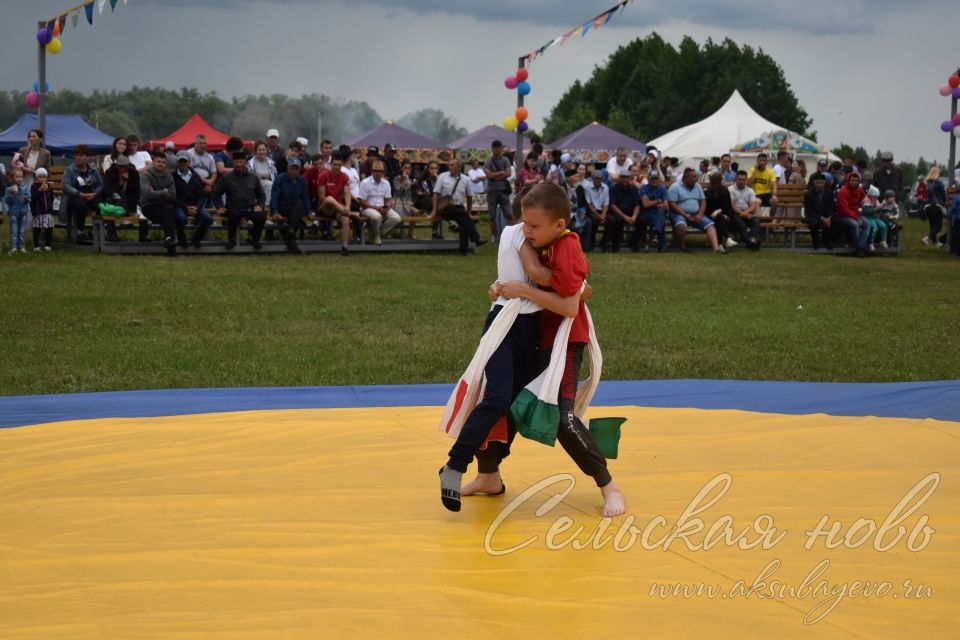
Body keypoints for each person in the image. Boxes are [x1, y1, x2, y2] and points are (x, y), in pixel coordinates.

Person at [455, 182, 625, 518]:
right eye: (525, 225)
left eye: (533, 226)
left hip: (564, 342)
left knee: (561, 418)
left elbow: (572, 302)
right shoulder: (538, 241)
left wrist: (521, 289)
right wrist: (503, 287)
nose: (527, 231)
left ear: (558, 224)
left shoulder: (566, 244)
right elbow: (534, 278)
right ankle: (488, 475)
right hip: (532, 338)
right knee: (496, 403)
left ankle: (609, 485)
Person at [213, 151, 267, 250]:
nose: (239, 165)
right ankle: (231, 240)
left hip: (250, 207)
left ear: (245, 163)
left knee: (261, 216)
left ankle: (254, 239)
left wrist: (260, 205)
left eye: (241, 162)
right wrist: (219, 206)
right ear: (234, 162)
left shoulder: (253, 177)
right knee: (234, 214)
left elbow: (261, 195)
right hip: (233, 207)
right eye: (237, 162)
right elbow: (216, 193)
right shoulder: (227, 177)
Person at [432, 158, 484, 255]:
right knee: (463, 216)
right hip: (445, 208)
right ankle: (476, 238)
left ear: (459, 167)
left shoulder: (466, 179)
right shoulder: (443, 177)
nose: (449, 166)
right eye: (449, 164)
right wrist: (434, 211)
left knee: (463, 219)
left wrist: (469, 211)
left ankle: (463, 250)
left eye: (452, 165)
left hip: (459, 208)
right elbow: (435, 193)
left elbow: (469, 197)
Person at [668, 167, 723, 253]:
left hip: (696, 214)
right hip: (680, 214)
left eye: (696, 176)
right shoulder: (675, 187)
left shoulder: (697, 186)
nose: (696, 179)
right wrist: (685, 215)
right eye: (693, 177)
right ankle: (683, 248)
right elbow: (672, 204)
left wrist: (700, 214)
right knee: (681, 227)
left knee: (711, 226)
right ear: (686, 178)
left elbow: (703, 201)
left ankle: (716, 249)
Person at [316, 151, 356, 257]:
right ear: (331, 164)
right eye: (335, 164)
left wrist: (347, 206)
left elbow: (347, 193)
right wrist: (343, 208)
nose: (337, 167)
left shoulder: (344, 177)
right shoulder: (323, 176)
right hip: (324, 208)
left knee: (345, 218)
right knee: (329, 199)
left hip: (337, 208)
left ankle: (344, 248)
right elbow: (321, 198)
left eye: (339, 165)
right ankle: (353, 217)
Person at [61, 144, 103, 245]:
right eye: (77, 155)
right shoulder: (70, 170)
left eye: (81, 155)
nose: (78, 158)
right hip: (75, 196)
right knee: (81, 206)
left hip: (91, 195)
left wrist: (95, 193)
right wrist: (80, 194)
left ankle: (95, 232)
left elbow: (100, 184)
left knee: (101, 205)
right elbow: (66, 186)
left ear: (87, 157)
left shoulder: (93, 169)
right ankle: (80, 233)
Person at [139, 150, 179, 255]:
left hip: (164, 205)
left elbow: (173, 195)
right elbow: (147, 194)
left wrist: (155, 192)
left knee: (169, 210)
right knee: (169, 218)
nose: (161, 164)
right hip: (148, 206)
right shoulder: (145, 176)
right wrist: (164, 192)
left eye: (163, 162)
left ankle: (169, 240)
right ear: (153, 162)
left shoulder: (169, 176)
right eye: (158, 161)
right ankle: (171, 246)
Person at [269, 157, 311, 253]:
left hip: (295, 208)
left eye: (296, 169)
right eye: (292, 168)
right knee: (298, 208)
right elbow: (274, 197)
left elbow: (305, 197)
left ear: (299, 170)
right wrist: (275, 211)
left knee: (300, 203)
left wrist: (309, 211)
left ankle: (291, 233)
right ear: (287, 168)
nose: (294, 171)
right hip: (281, 206)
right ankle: (291, 234)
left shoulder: (302, 180)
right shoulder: (280, 179)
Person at [172, 151, 212, 249]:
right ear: (177, 163)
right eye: (180, 161)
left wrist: (196, 207)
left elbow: (201, 195)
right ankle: (182, 239)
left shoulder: (196, 177)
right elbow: (172, 197)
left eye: (185, 161)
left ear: (189, 162)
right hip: (180, 206)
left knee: (208, 218)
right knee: (180, 218)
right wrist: (186, 207)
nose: (183, 163)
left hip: (195, 206)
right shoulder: (172, 177)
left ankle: (196, 239)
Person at [358, 160, 402, 246]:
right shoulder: (365, 182)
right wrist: (377, 208)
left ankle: (376, 233)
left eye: (380, 171)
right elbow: (362, 201)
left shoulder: (386, 183)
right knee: (376, 216)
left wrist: (387, 207)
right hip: (368, 208)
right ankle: (377, 236)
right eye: (376, 170)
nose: (378, 173)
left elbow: (388, 199)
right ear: (372, 171)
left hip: (382, 207)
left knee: (397, 218)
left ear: (384, 172)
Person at [101, 155, 141, 242]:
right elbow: (108, 191)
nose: (122, 168)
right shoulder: (110, 172)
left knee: (132, 201)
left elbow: (136, 192)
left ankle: (144, 236)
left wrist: (128, 181)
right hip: (113, 199)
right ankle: (112, 235)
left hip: (130, 201)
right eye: (120, 166)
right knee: (110, 208)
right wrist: (121, 183)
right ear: (116, 165)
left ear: (129, 165)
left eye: (125, 166)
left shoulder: (134, 173)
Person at [833, 171, 871, 256]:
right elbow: (844, 209)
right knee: (855, 224)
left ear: (858, 182)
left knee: (868, 224)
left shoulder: (859, 190)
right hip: (842, 216)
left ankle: (860, 247)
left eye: (856, 180)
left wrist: (866, 201)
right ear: (848, 181)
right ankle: (860, 249)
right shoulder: (843, 191)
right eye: (852, 180)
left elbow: (865, 198)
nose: (854, 182)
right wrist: (856, 218)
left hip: (855, 214)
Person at [484, 140, 513, 242]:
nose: (497, 149)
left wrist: (494, 175)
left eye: (498, 147)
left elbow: (508, 173)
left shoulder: (505, 160)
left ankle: (510, 236)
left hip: (503, 190)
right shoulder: (488, 161)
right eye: (495, 147)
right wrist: (501, 173)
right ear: (492, 149)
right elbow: (488, 175)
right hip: (492, 190)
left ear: (501, 148)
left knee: (509, 213)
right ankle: (494, 236)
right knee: (492, 215)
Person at [607, 168, 640, 253]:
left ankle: (634, 242)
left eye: (626, 177)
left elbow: (637, 205)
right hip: (618, 213)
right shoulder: (613, 189)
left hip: (631, 213)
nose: (625, 179)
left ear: (629, 178)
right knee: (617, 220)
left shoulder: (633, 189)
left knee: (643, 220)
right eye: (623, 177)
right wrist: (624, 216)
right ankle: (616, 244)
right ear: (619, 178)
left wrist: (634, 216)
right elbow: (612, 205)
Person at [727, 170, 761, 249]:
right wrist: (743, 214)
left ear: (746, 180)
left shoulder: (750, 190)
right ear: (736, 179)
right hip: (734, 213)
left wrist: (745, 213)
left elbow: (753, 206)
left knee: (755, 222)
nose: (741, 181)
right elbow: (732, 205)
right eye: (739, 179)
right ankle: (750, 242)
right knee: (741, 224)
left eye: (743, 180)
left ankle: (753, 240)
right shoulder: (730, 189)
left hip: (747, 212)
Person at [639, 170, 669, 253]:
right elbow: (645, 204)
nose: (654, 180)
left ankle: (656, 234)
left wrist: (652, 203)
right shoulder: (643, 188)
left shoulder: (663, 188)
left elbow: (666, 205)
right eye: (652, 178)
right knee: (660, 219)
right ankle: (661, 243)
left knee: (660, 212)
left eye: (656, 178)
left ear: (659, 179)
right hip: (647, 213)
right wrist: (658, 201)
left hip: (658, 213)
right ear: (648, 179)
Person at [804, 172, 835, 250]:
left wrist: (828, 218)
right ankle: (816, 242)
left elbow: (831, 208)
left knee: (835, 221)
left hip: (826, 215)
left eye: (821, 183)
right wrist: (822, 218)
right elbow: (809, 210)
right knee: (813, 223)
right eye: (817, 183)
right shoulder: (809, 194)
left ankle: (826, 240)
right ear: (814, 183)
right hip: (813, 215)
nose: (819, 185)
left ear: (825, 183)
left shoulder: (830, 193)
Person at [186, 134, 217, 209]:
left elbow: (214, 173)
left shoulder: (210, 157)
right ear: (195, 144)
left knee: (214, 191)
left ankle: (212, 213)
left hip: (207, 182)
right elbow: (190, 169)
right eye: (200, 143)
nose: (203, 145)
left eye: (204, 143)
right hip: (192, 181)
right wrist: (206, 181)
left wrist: (210, 184)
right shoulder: (189, 153)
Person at [703, 172, 733, 249]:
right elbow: (708, 208)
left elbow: (727, 205)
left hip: (724, 214)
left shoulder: (725, 191)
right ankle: (726, 238)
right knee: (719, 218)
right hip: (710, 215)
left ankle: (720, 243)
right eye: (722, 179)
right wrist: (719, 213)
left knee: (719, 218)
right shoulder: (707, 193)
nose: (723, 181)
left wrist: (720, 212)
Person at [3, 168, 30, 254]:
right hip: (13, 213)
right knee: (14, 231)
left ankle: (21, 247)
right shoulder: (9, 189)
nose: (19, 178)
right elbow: (7, 201)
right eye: (17, 177)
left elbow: (29, 199)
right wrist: (12, 194)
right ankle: (13, 247)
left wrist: (25, 198)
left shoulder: (25, 188)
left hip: (23, 212)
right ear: (12, 178)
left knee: (22, 231)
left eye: (21, 176)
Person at [582, 170, 608, 252]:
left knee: (611, 221)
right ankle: (591, 243)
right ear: (592, 179)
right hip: (591, 211)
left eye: (599, 179)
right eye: (596, 179)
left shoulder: (606, 187)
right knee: (594, 220)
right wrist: (598, 215)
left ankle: (605, 244)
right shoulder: (587, 188)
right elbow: (588, 204)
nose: (597, 180)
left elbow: (606, 203)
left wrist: (603, 214)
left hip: (602, 211)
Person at [30, 167, 55, 252]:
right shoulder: (34, 187)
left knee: (49, 229)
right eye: (40, 177)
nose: (42, 179)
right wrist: (40, 190)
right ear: (37, 177)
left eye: (44, 177)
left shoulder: (49, 187)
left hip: (47, 211)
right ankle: (36, 245)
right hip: (38, 212)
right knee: (37, 229)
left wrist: (47, 191)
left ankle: (48, 245)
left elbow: (52, 198)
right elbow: (32, 197)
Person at [922, 166, 947, 248]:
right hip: (936, 206)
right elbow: (943, 195)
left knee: (932, 226)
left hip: (928, 207)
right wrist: (945, 202)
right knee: (938, 227)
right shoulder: (938, 183)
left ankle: (936, 243)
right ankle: (927, 238)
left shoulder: (928, 183)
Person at [393, 160, 417, 240]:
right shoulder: (397, 178)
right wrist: (403, 180)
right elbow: (398, 191)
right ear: (401, 169)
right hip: (398, 202)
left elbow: (412, 193)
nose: (407, 170)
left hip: (408, 202)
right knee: (398, 212)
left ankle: (410, 232)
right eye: (405, 168)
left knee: (416, 212)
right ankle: (394, 233)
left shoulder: (412, 179)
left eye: (409, 168)